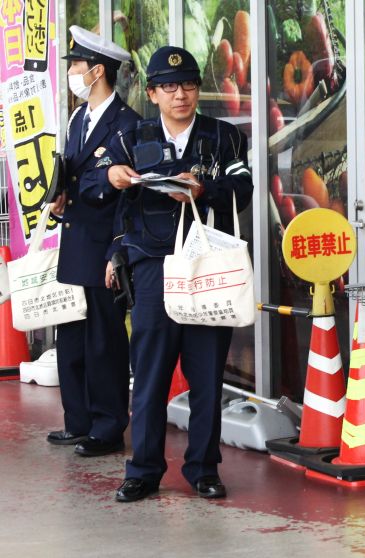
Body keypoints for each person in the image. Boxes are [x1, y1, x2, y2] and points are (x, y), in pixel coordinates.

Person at [84, 46, 253, 502]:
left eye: (190, 85)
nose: (181, 95)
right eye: (170, 87)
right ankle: (143, 470)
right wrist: (112, 176)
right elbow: (91, 184)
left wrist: (205, 188)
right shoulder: (131, 136)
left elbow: (243, 188)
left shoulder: (224, 137)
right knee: (152, 374)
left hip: (206, 267)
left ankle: (203, 468)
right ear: (154, 93)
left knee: (206, 375)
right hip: (154, 267)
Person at [46, 26, 139, 457]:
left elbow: (130, 198)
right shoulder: (77, 118)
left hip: (104, 248)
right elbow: (76, 174)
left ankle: (107, 425)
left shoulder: (127, 126)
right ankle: (77, 419)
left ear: (97, 70)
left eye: (77, 66)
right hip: (75, 238)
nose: (73, 73)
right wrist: (62, 201)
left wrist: (117, 251)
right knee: (71, 335)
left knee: (105, 340)